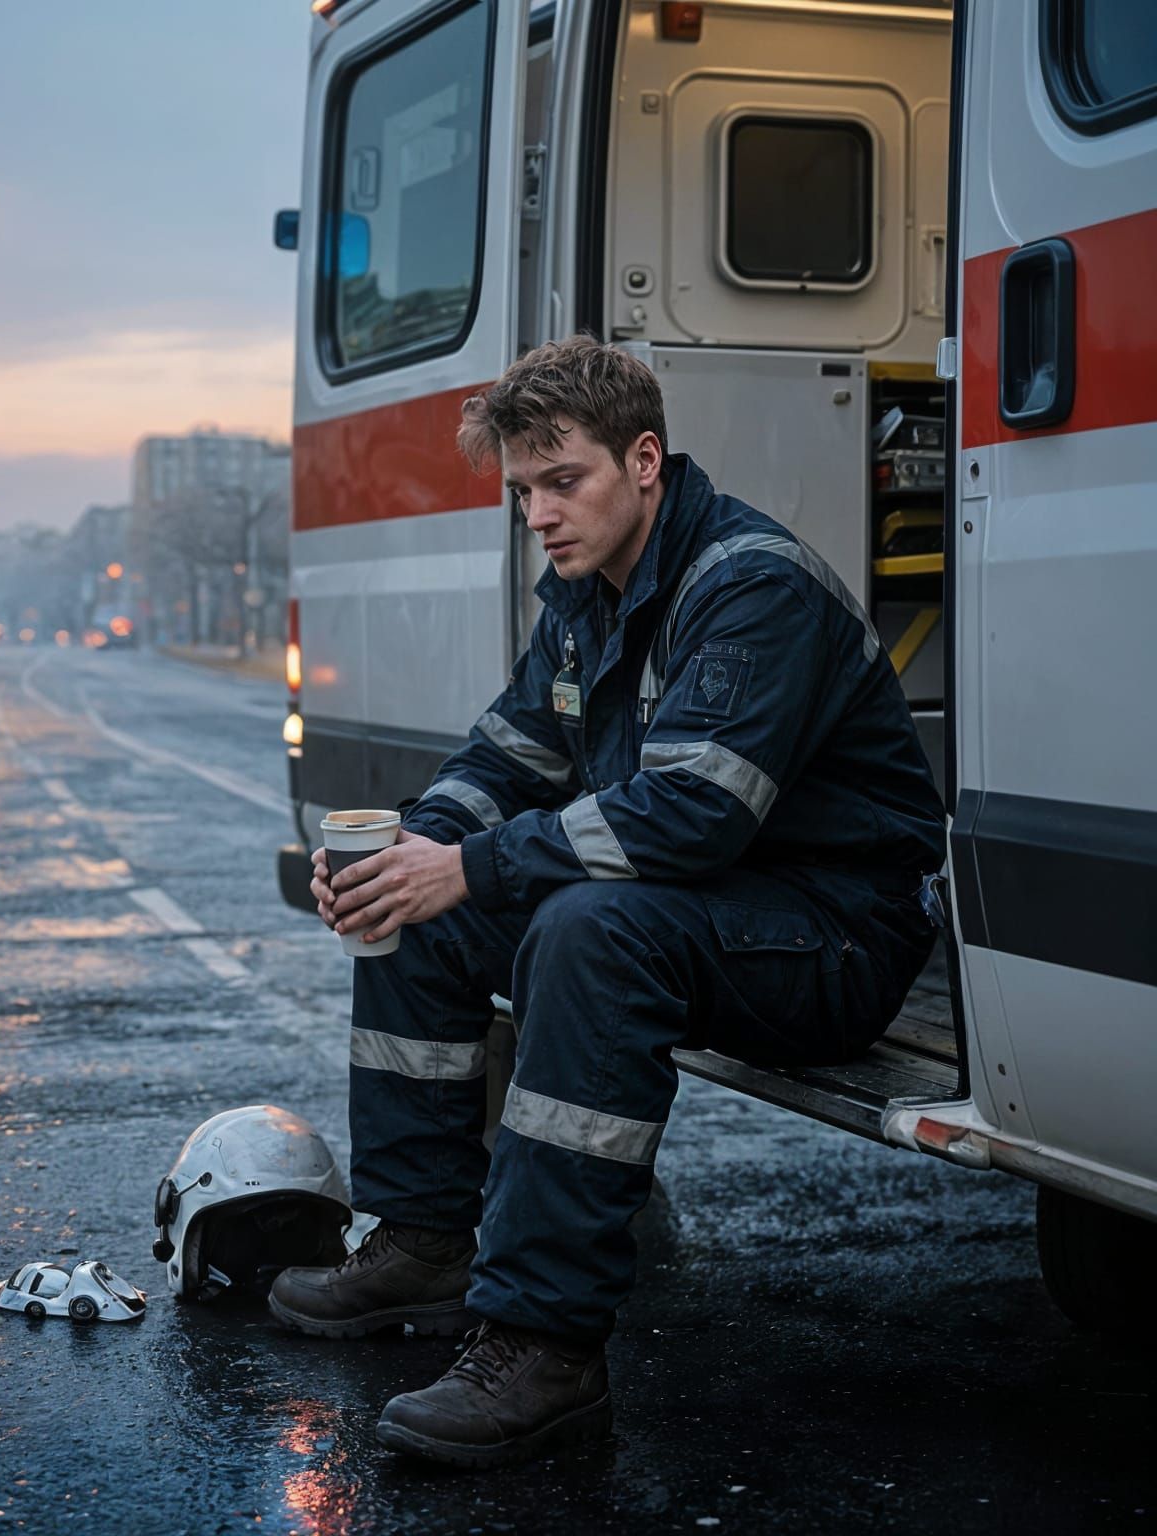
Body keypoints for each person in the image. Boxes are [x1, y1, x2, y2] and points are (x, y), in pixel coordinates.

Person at [268, 337, 945, 1468]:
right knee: (417, 894)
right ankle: (424, 1238)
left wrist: (472, 867)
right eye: (522, 490)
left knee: (588, 928)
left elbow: (693, 814)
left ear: (644, 460)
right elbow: (508, 753)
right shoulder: (586, 593)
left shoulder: (749, 584)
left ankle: (545, 1348)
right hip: (718, 909)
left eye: (561, 481)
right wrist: (421, 846)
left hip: (833, 936)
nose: (538, 513)